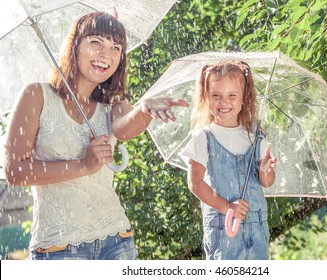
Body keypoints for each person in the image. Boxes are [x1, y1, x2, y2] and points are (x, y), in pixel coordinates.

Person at [3, 12, 188, 260]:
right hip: (58, 248)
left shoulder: (113, 101)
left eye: (115, 47)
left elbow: (125, 128)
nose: (105, 54)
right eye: (96, 42)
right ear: (75, 46)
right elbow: (15, 171)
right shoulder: (36, 95)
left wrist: (144, 109)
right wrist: (83, 165)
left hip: (117, 241)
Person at [180, 60, 277, 260]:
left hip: (257, 229)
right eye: (216, 96)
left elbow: (266, 182)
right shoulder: (204, 137)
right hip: (223, 230)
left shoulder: (254, 135)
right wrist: (226, 207)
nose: (224, 102)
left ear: (243, 99)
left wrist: (266, 171)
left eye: (232, 95)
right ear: (206, 98)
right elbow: (195, 183)